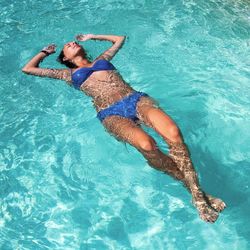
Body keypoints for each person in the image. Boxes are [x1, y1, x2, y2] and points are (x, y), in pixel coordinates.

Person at [22, 34, 226, 223]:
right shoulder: (67, 74)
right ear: (65, 59)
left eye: (74, 42)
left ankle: (197, 194)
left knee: (173, 132)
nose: (71, 43)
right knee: (148, 145)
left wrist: (93, 36)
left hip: (135, 100)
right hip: (111, 114)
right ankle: (197, 192)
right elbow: (29, 69)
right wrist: (44, 53)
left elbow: (119, 39)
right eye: (67, 47)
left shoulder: (103, 58)